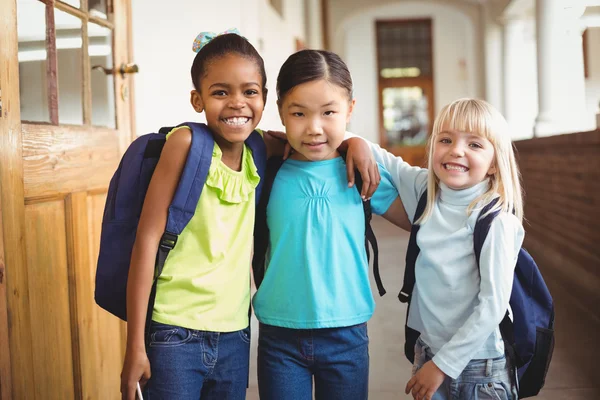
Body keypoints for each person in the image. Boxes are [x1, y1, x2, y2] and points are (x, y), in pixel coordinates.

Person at [119, 31, 380, 400]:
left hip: (235, 332)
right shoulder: (185, 145)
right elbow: (146, 239)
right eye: (221, 92)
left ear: (264, 99)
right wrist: (135, 343)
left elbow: (311, 138)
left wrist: (357, 142)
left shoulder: (258, 147)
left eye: (250, 92)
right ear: (198, 99)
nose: (237, 104)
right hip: (174, 331)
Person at [252, 49, 410, 400]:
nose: (314, 128)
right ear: (280, 112)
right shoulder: (266, 168)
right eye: (298, 113)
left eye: (329, 113)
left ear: (350, 110)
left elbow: (419, 223)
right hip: (279, 334)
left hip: (347, 336)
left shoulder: (362, 170)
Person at [348, 98, 523, 400]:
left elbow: (492, 306)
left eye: (475, 145)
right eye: (446, 139)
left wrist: (442, 366)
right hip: (428, 351)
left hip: (477, 369)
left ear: (495, 163)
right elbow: (384, 158)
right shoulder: (426, 190)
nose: (456, 150)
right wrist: (347, 139)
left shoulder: (495, 222)